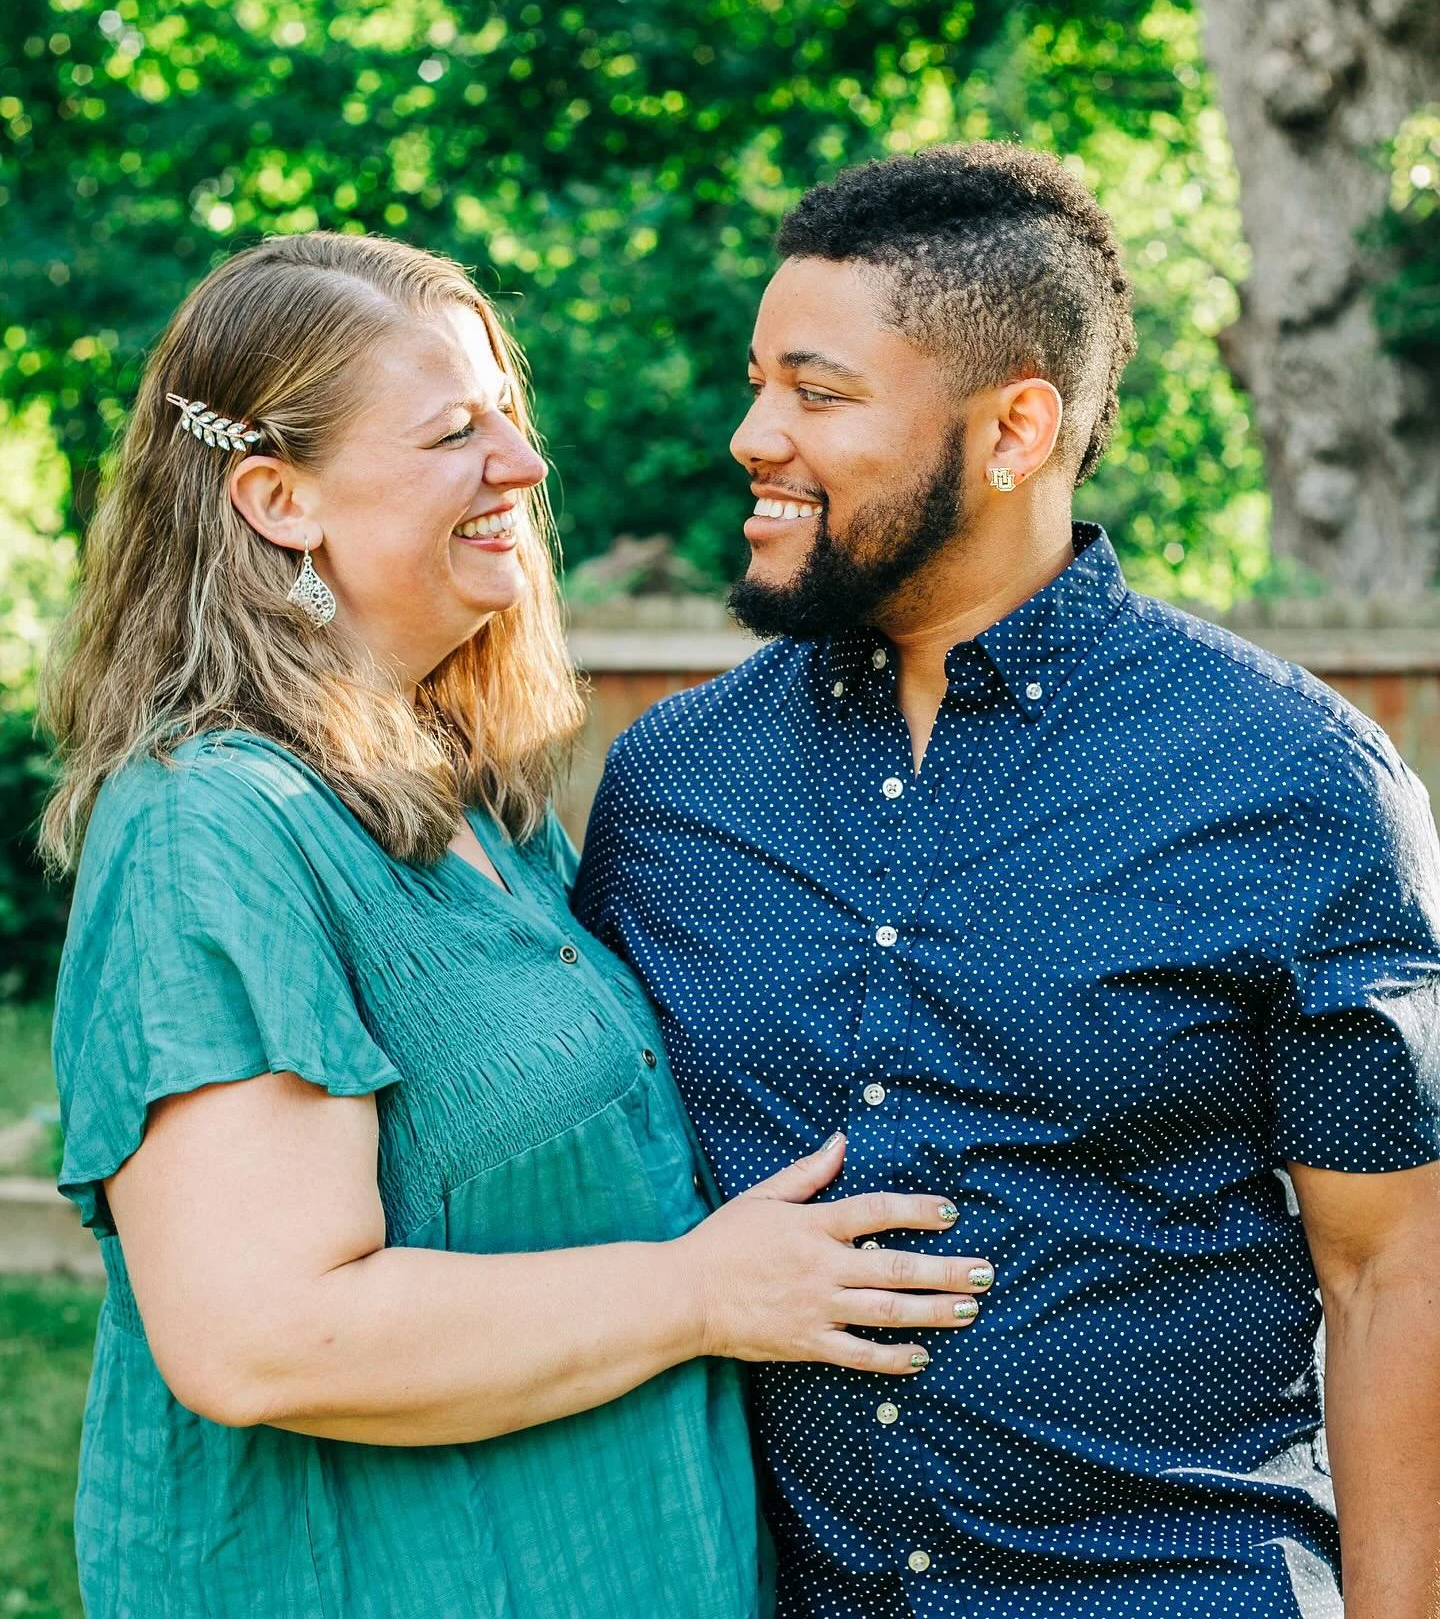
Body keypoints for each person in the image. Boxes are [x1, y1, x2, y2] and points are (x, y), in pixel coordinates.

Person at [41, 231, 994, 1619]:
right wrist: (702, 1295)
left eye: (507, 415)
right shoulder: (213, 830)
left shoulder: (473, 800)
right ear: (276, 498)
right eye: (450, 433)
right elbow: (262, 1338)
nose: (522, 465)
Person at [574, 143, 1440, 1619]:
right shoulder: (674, 786)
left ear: (1015, 429)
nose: (751, 435)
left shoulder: (1290, 786)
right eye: (757, 379)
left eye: (817, 391)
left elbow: (1391, 1270)